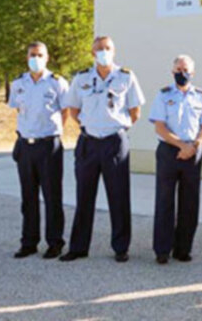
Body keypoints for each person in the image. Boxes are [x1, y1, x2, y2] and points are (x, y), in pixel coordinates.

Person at [60, 36, 144, 263]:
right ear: (92, 53)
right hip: (88, 143)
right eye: (99, 49)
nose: (103, 52)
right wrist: (90, 125)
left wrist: (116, 126)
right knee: (84, 196)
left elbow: (135, 111)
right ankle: (78, 247)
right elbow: (74, 109)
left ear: (114, 52)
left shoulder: (126, 76)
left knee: (119, 196)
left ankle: (120, 247)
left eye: (107, 48)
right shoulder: (82, 78)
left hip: (114, 143)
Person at [149, 54, 202, 264]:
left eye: (186, 70)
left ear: (193, 73)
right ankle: (162, 249)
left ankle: (183, 249)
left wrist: (195, 145)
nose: (182, 73)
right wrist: (181, 145)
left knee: (189, 202)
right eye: (178, 70)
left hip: (193, 151)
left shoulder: (201, 96)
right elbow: (159, 126)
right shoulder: (163, 95)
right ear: (172, 72)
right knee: (164, 201)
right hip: (170, 151)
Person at [8, 42, 69, 259]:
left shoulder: (57, 82)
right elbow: (18, 109)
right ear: (27, 57)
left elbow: (65, 111)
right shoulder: (18, 83)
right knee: (28, 197)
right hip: (25, 145)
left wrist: (54, 132)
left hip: (48, 145)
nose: (36, 58)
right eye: (32, 55)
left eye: (40, 55)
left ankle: (55, 242)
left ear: (47, 57)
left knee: (52, 196)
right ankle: (29, 242)